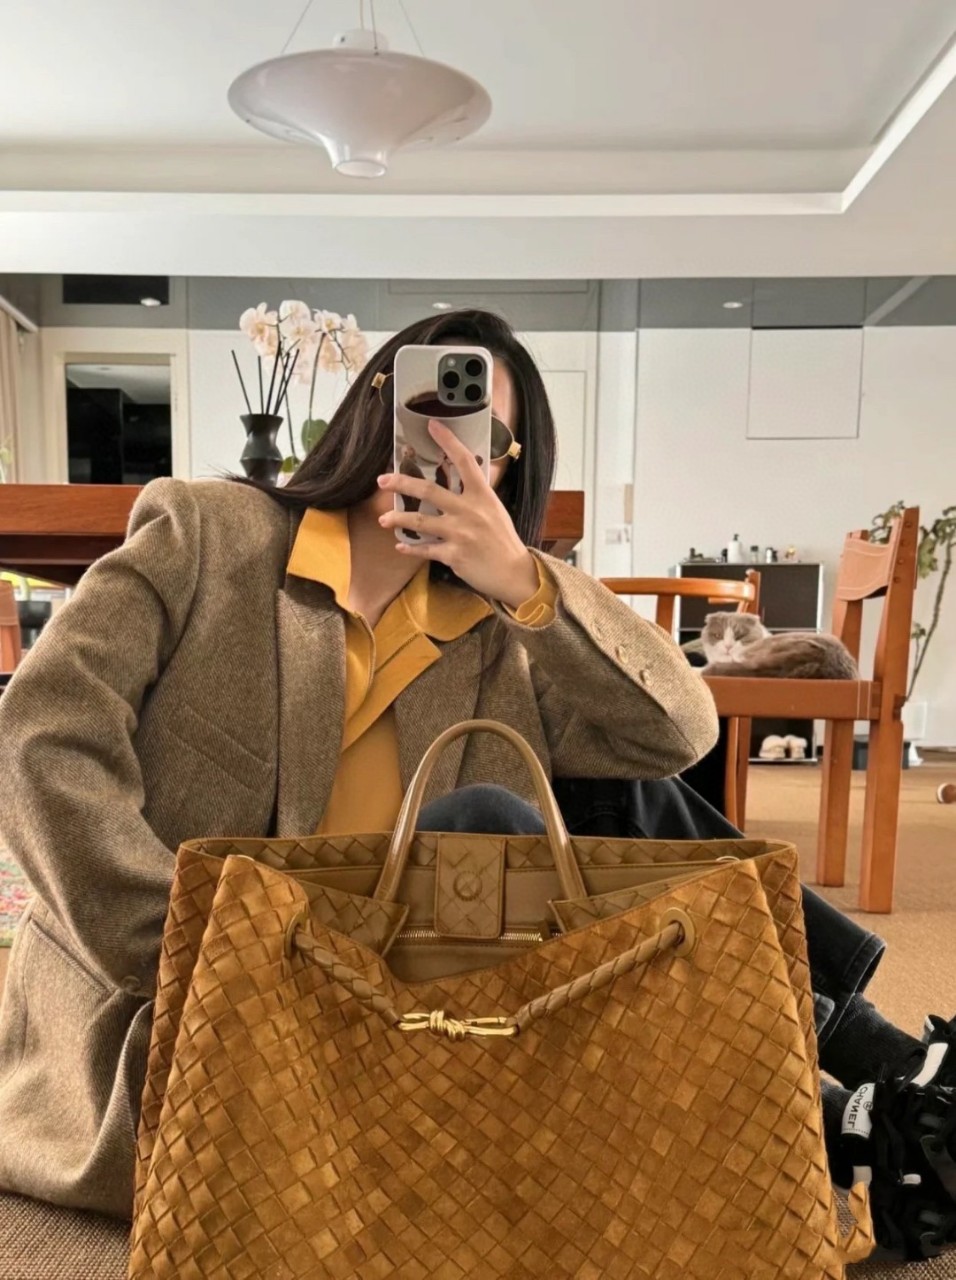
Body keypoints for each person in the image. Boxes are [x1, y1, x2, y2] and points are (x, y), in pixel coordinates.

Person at [0, 310, 951, 1263]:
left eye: (481, 434)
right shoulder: (208, 537)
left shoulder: (502, 632)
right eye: (429, 408)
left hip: (403, 998)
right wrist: (189, 951)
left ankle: (890, 1078)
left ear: (507, 468)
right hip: (201, 1016)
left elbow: (676, 732)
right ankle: (859, 1109)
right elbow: (40, 733)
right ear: (373, 404)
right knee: (490, 821)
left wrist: (525, 578)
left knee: (610, 807)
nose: (447, 444)